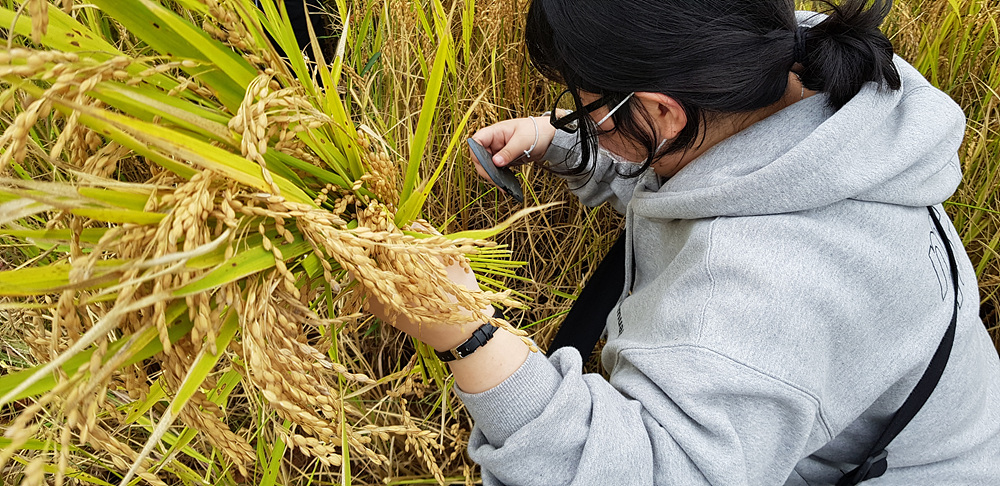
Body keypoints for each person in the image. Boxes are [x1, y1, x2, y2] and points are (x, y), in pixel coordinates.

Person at [369, 0, 1000, 484]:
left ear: (662, 113)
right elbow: (705, 166)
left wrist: (466, 334)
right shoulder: (794, 67)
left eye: (587, 109)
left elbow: (646, 472)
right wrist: (564, 141)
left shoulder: (756, 294)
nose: (581, 118)